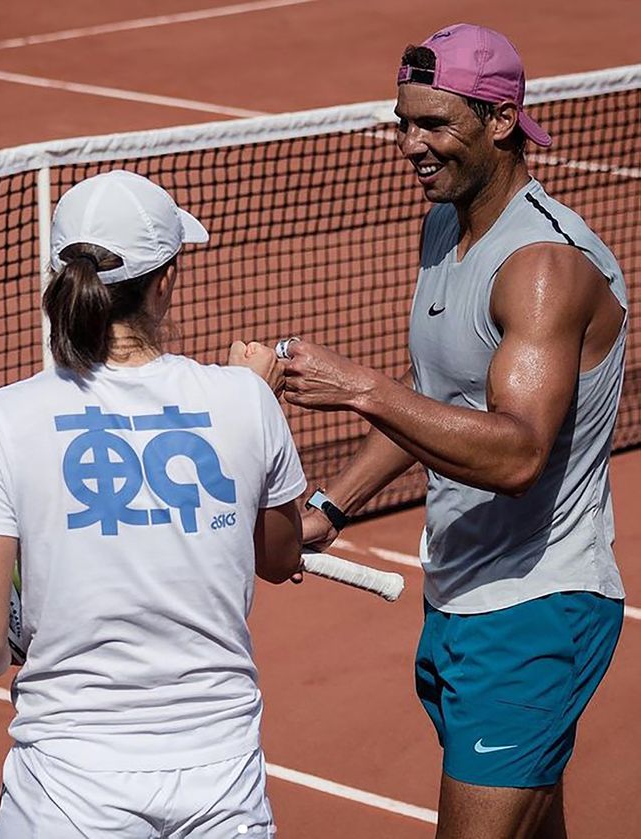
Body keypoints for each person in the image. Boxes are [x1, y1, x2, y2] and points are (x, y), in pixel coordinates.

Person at [279, 23, 626, 839]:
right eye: (403, 122)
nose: (411, 144)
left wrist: (361, 388)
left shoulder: (542, 268)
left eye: (435, 124)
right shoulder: (445, 224)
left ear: (500, 121)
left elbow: (516, 453)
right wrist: (331, 506)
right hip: (460, 600)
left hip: (534, 609)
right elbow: (442, 399)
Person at [0, 170, 305, 838]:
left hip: (66, 790)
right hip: (222, 784)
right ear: (164, 281)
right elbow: (279, 557)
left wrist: (20, 634)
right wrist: (254, 401)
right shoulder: (245, 399)